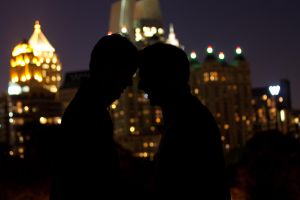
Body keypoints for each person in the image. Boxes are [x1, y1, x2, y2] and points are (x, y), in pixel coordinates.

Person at [50, 34, 138, 200]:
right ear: (110, 69)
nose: (128, 83)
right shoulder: (89, 115)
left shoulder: (86, 108)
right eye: (127, 73)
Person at [138, 43, 231, 199]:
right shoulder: (185, 117)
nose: (141, 85)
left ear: (166, 77)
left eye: (146, 75)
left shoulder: (189, 124)